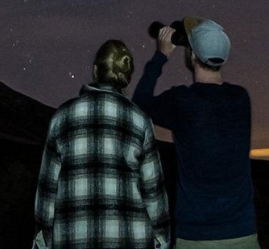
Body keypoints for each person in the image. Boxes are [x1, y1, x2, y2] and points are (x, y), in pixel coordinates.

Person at [132, 17, 260, 249]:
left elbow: (139, 103)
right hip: (242, 230)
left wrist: (161, 55)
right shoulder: (241, 98)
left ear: (192, 56)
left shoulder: (182, 101)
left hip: (195, 235)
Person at [34, 39, 171, 249]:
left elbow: (47, 193)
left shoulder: (62, 117)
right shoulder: (140, 120)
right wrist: (161, 239)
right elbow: (153, 192)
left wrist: (44, 239)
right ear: (126, 76)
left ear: (95, 70)